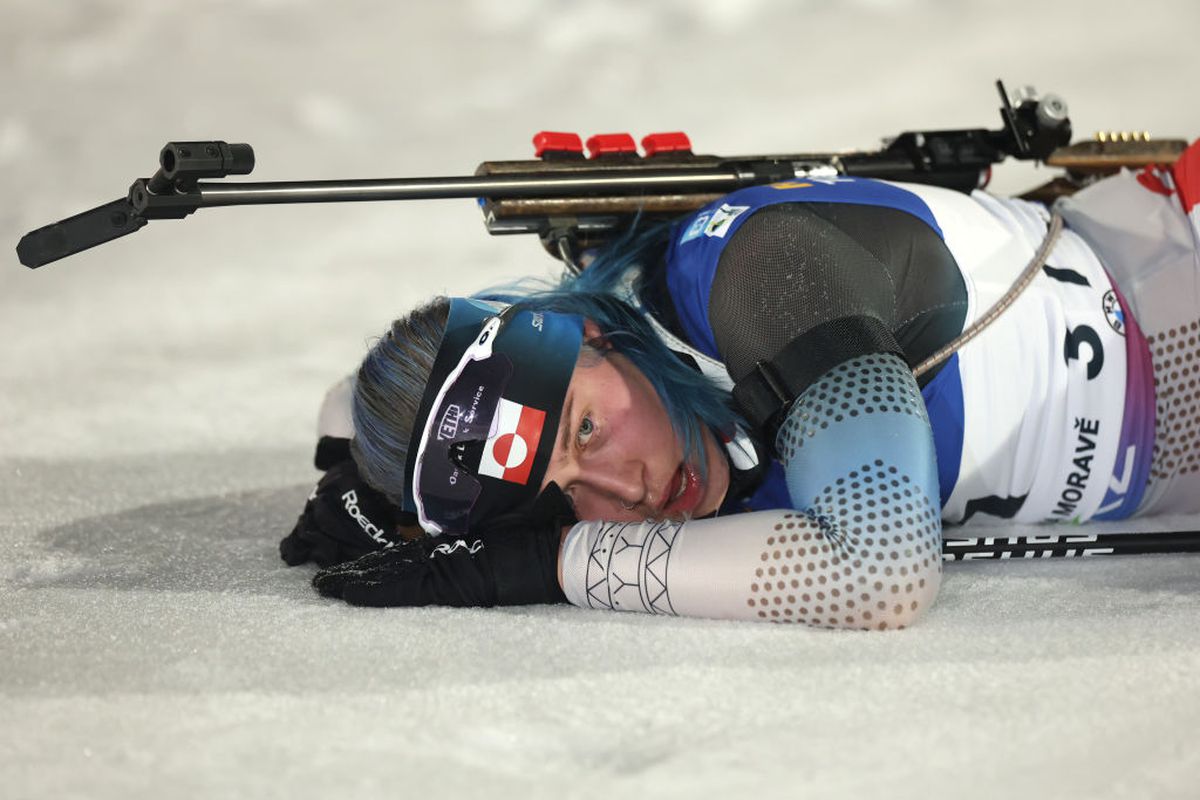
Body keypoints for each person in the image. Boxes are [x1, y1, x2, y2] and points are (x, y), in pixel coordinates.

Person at [280, 140, 1200, 630]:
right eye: (563, 501)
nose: (623, 497)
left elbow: (880, 572)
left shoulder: (760, 278)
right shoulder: (614, 395)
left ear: (601, 335)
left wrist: (551, 565)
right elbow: (379, 404)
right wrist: (360, 469)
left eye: (590, 434)